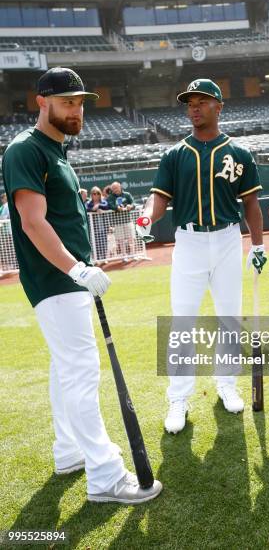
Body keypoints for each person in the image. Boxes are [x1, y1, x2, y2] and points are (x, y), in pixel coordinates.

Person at [1, 67, 161, 504]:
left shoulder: (54, 152)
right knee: (82, 370)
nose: (77, 110)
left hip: (64, 280)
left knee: (64, 368)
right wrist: (77, 270)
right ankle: (105, 476)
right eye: (67, 102)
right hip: (55, 280)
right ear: (42, 102)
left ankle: (68, 451)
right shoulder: (26, 151)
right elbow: (33, 223)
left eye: (81, 102)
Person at [136, 78, 267, 434]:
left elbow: (251, 204)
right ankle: (178, 396)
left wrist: (257, 245)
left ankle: (226, 385)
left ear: (218, 107)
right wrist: (147, 217)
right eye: (190, 102)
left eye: (202, 101)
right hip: (189, 243)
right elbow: (159, 199)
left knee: (228, 319)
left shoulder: (238, 152)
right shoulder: (175, 154)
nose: (194, 107)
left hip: (227, 239)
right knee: (182, 324)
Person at [107, 182, 136, 260]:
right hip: (117, 222)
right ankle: (124, 256)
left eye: (116, 188)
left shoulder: (127, 194)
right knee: (121, 240)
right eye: (113, 189)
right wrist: (116, 208)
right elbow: (110, 205)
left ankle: (133, 255)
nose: (115, 190)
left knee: (131, 238)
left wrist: (131, 206)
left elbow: (133, 203)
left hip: (128, 220)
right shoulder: (110, 197)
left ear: (120, 187)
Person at [86, 186, 110, 262]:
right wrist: (93, 210)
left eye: (98, 193)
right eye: (94, 193)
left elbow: (106, 206)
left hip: (103, 227)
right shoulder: (89, 203)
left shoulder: (103, 202)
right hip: (93, 228)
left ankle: (104, 258)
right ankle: (96, 259)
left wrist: (98, 206)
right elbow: (86, 209)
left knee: (104, 243)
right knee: (94, 243)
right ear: (91, 195)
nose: (96, 195)